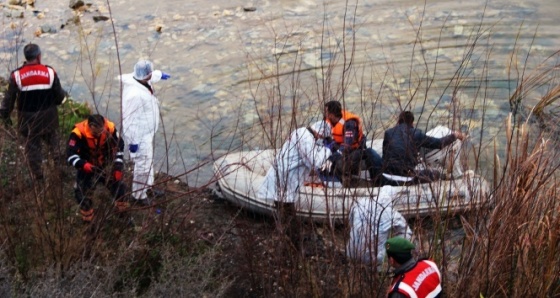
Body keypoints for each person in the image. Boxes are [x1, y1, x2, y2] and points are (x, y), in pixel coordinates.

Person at [257, 120, 333, 245]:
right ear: (319, 133)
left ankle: (293, 239)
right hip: (284, 179)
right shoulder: (306, 139)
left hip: (285, 176)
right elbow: (316, 162)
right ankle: (295, 244)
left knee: (287, 211)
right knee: (287, 212)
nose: (321, 139)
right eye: (322, 137)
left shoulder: (302, 132)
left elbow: (308, 160)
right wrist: (328, 150)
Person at [0, 43, 67, 180]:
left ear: (26, 57)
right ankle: (60, 172)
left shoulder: (16, 76)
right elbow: (59, 97)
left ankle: (38, 177)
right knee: (54, 144)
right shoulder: (50, 72)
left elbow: (9, 100)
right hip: (49, 118)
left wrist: (5, 115)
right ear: (39, 56)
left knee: (33, 148)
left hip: (28, 121)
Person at [121, 60, 170, 206]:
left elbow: (149, 76)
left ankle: (148, 187)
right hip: (139, 136)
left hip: (147, 132)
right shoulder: (135, 95)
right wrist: (133, 142)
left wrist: (160, 75)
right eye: (150, 74)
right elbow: (129, 120)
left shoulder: (139, 80)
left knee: (148, 161)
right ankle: (138, 195)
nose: (151, 76)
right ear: (144, 76)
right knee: (142, 165)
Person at [66, 114, 129, 222]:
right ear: (90, 126)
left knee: (119, 187)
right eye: (96, 132)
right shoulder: (77, 133)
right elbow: (70, 155)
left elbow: (119, 147)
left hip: (105, 165)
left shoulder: (110, 128)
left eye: (101, 131)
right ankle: (88, 220)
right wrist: (83, 164)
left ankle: (122, 213)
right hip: (86, 166)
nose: (99, 134)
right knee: (82, 193)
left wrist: (118, 166)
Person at [382, 111, 466, 182]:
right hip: (406, 175)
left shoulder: (388, 133)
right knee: (434, 173)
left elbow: (385, 155)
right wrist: (454, 135)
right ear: (412, 123)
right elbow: (439, 143)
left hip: (387, 173)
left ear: (398, 122)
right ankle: (449, 178)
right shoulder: (416, 133)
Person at [346, 186, 412, 269]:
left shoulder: (360, 203)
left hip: (351, 253)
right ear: (393, 200)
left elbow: (350, 222)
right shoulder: (391, 213)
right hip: (374, 258)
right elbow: (406, 233)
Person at [324, 100, 382, 186]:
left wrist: (332, 158)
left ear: (331, 114)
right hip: (338, 146)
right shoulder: (329, 121)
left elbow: (347, 146)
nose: (325, 114)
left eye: (326, 112)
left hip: (355, 149)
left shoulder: (349, 123)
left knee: (339, 164)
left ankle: (350, 182)